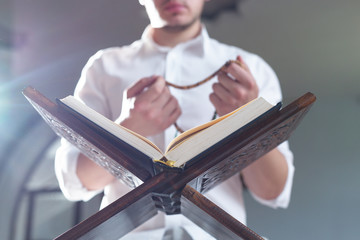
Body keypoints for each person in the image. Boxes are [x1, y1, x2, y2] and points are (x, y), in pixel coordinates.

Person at [55, 0, 294, 239]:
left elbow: (273, 191)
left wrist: (251, 122)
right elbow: (76, 182)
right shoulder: (103, 68)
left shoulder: (253, 70)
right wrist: (129, 128)